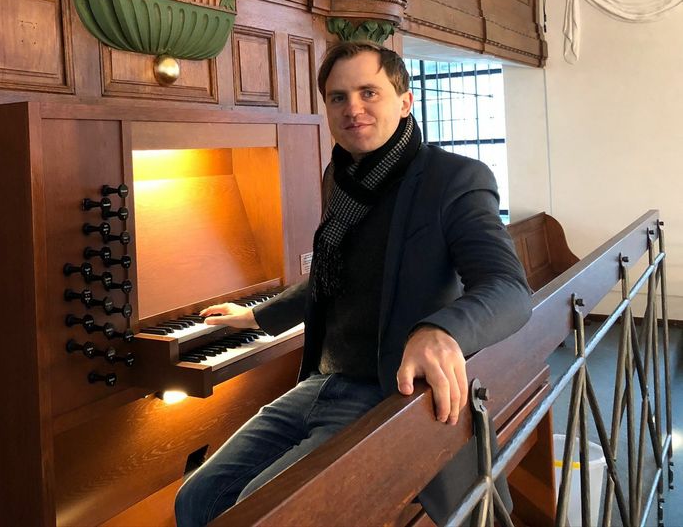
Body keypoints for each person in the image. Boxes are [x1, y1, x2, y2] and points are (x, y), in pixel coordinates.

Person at [174, 41, 532, 527]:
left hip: (389, 395)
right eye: (338, 98)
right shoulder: (340, 178)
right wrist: (257, 316)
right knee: (196, 499)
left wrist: (441, 330)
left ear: (405, 102)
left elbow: (509, 289)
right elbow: (332, 276)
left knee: (260, 511)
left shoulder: (454, 179)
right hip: (321, 382)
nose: (353, 108)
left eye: (369, 92)